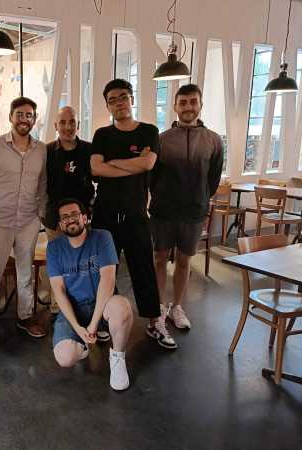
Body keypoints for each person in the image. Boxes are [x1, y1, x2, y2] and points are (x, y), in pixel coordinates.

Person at [90, 78, 177, 350]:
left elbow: (148, 163)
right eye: (113, 99)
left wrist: (113, 163)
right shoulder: (102, 135)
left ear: (131, 99)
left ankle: (154, 322)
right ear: (107, 105)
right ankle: (106, 318)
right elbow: (96, 169)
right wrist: (133, 165)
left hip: (137, 214)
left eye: (123, 96)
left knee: (144, 270)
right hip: (105, 215)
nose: (119, 103)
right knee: (106, 272)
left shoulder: (149, 131)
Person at [150, 84, 224, 330]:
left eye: (193, 101)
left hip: (194, 212)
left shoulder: (213, 141)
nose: (188, 107)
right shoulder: (162, 140)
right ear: (175, 107)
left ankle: (177, 306)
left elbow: (213, 178)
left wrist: (201, 199)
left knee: (184, 260)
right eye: (183, 102)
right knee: (159, 258)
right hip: (163, 211)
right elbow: (152, 177)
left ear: (200, 105)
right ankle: (160, 307)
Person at [0, 96, 47, 348]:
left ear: (34, 119)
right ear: (10, 117)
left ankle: (25, 317)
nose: (24, 119)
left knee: (25, 273)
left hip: (28, 220)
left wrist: (40, 213)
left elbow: (42, 184)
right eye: (20, 114)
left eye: (29, 115)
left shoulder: (41, 149)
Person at [47, 198, 133, 391]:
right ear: (60, 224)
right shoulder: (54, 248)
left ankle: (117, 357)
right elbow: (59, 291)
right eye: (65, 217)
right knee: (65, 357)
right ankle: (83, 345)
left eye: (74, 214)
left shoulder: (102, 237)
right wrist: (78, 328)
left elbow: (108, 280)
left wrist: (93, 324)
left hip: (102, 306)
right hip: (74, 309)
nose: (70, 220)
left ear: (84, 217)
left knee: (122, 307)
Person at [44, 106, 95, 241]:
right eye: (62, 122)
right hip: (55, 220)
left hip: (83, 217)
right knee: (61, 260)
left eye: (72, 122)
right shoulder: (46, 151)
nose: (68, 127)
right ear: (56, 126)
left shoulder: (90, 150)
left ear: (78, 124)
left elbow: (99, 179)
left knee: (84, 259)